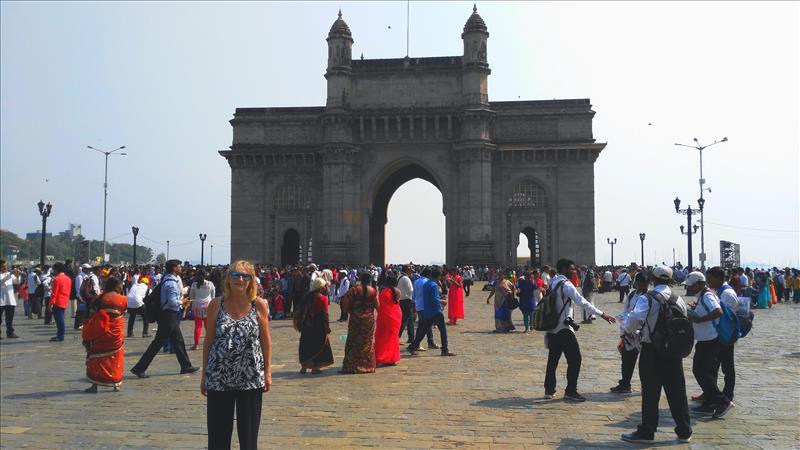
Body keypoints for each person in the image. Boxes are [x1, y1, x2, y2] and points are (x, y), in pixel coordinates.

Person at [202, 260, 272, 450]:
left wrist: (267, 372)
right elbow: (209, 340)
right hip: (218, 376)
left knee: (249, 438)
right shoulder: (216, 304)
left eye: (245, 276)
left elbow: (266, 341)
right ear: (228, 279)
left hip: (250, 377)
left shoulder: (259, 305)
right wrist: (204, 376)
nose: (240, 279)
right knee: (218, 437)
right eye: (235, 275)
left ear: (251, 280)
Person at [620, 266, 692, 444]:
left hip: (652, 351)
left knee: (651, 392)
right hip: (674, 351)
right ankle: (684, 430)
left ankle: (647, 431)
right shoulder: (679, 299)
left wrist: (626, 329)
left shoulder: (647, 298)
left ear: (653, 279)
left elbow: (635, 319)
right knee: (677, 391)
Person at [544, 259, 616, 402]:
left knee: (553, 360)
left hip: (552, 329)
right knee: (575, 359)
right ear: (564, 269)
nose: (575, 271)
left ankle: (549, 389)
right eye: (572, 269)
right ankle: (571, 391)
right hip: (564, 329)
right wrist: (601, 314)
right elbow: (582, 302)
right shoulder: (566, 284)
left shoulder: (552, 282)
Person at [130, 259, 199, 378]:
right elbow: (172, 302)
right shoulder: (171, 283)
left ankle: (185, 366)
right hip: (168, 315)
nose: (181, 268)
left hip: (168, 315)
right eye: (179, 266)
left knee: (178, 341)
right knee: (157, 343)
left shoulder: (166, 280)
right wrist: (182, 302)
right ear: (174, 268)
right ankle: (139, 368)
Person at [685, 271, 733, 418]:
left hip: (710, 340)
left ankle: (722, 401)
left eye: (692, 285)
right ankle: (713, 400)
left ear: (700, 283)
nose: (690, 288)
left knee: (700, 371)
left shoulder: (707, 295)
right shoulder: (703, 296)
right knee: (703, 372)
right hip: (705, 339)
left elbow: (717, 311)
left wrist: (700, 319)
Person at [80, 277, 128, 393]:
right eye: (121, 285)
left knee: (96, 357)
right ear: (117, 286)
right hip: (116, 334)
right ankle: (116, 384)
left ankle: (94, 385)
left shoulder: (98, 299)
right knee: (115, 358)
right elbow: (123, 312)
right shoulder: (122, 299)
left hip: (99, 332)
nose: (122, 287)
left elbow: (92, 315)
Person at [705, 266, 739, 406]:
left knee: (727, 367)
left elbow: (723, 316)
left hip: (725, 335)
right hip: (719, 334)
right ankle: (712, 393)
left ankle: (727, 394)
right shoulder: (720, 291)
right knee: (714, 366)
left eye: (710, 279)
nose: (708, 282)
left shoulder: (727, 294)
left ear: (719, 278)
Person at [611, 271, 648, 393]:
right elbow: (625, 312)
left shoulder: (649, 297)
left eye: (645, 285)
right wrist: (624, 331)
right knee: (627, 361)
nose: (643, 287)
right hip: (629, 334)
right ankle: (625, 383)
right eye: (641, 284)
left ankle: (647, 386)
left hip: (644, 335)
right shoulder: (631, 296)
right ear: (636, 284)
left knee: (645, 364)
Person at [407, 267, 456, 357]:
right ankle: (445, 349)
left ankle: (412, 346)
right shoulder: (434, 285)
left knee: (423, 331)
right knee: (443, 330)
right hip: (436, 311)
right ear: (438, 276)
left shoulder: (426, 284)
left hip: (427, 311)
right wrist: (442, 301)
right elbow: (434, 299)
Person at [341, 271, 379, 374]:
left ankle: (351, 366)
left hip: (356, 319)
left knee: (353, 341)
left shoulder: (354, 290)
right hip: (368, 321)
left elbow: (345, 302)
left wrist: (348, 311)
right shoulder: (373, 291)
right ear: (370, 280)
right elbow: (377, 306)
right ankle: (367, 366)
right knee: (367, 342)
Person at [294, 277, 334, 374]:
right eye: (324, 286)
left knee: (305, 345)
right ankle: (315, 367)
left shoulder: (306, 296)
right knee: (318, 345)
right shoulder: (323, 299)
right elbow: (325, 314)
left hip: (306, 324)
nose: (326, 287)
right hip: (318, 325)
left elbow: (300, 309)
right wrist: (327, 327)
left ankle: (304, 367)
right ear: (320, 287)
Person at [375, 273, 402, 366]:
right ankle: (391, 358)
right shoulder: (397, 291)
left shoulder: (383, 292)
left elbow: (380, 306)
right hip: (396, 316)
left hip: (385, 317)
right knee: (393, 338)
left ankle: (382, 357)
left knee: (382, 338)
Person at [412, 267, 437, 351]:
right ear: (429, 274)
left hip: (418, 305)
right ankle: (416, 344)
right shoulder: (427, 282)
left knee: (426, 325)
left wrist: (413, 305)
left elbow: (414, 294)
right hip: (425, 306)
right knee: (423, 326)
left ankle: (430, 342)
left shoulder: (416, 281)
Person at [189, 271, 216, 350]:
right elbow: (213, 297)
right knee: (208, 326)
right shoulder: (210, 284)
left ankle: (196, 345)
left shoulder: (194, 284)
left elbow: (191, 296)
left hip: (197, 306)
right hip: (208, 306)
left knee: (198, 326)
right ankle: (210, 343)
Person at [49, 263, 72, 342]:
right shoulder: (68, 278)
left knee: (59, 320)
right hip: (65, 300)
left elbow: (54, 293)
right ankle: (59, 335)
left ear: (57, 269)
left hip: (58, 301)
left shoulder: (57, 279)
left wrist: (51, 303)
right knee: (60, 319)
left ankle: (60, 336)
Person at [0, 260, 21, 339]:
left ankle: (10, 332)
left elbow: (17, 282)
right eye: (3, 266)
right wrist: (10, 274)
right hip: (1, 300)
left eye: (6, 266)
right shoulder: (8, 274)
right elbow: (1, 281)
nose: (5, 267)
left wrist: (17, 275)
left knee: (10, 318)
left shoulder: (9, 274)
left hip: (10, 299)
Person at [397, 265, 415, 344]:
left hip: (401, 300)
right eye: (410, 270)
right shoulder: (406, 278)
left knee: (410, 321)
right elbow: (411, 291)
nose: (411, 272)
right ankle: (397, 337)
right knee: (404, 321)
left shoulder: (399, 277)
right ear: (407, 270)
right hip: (407, 301)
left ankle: (411, 338)